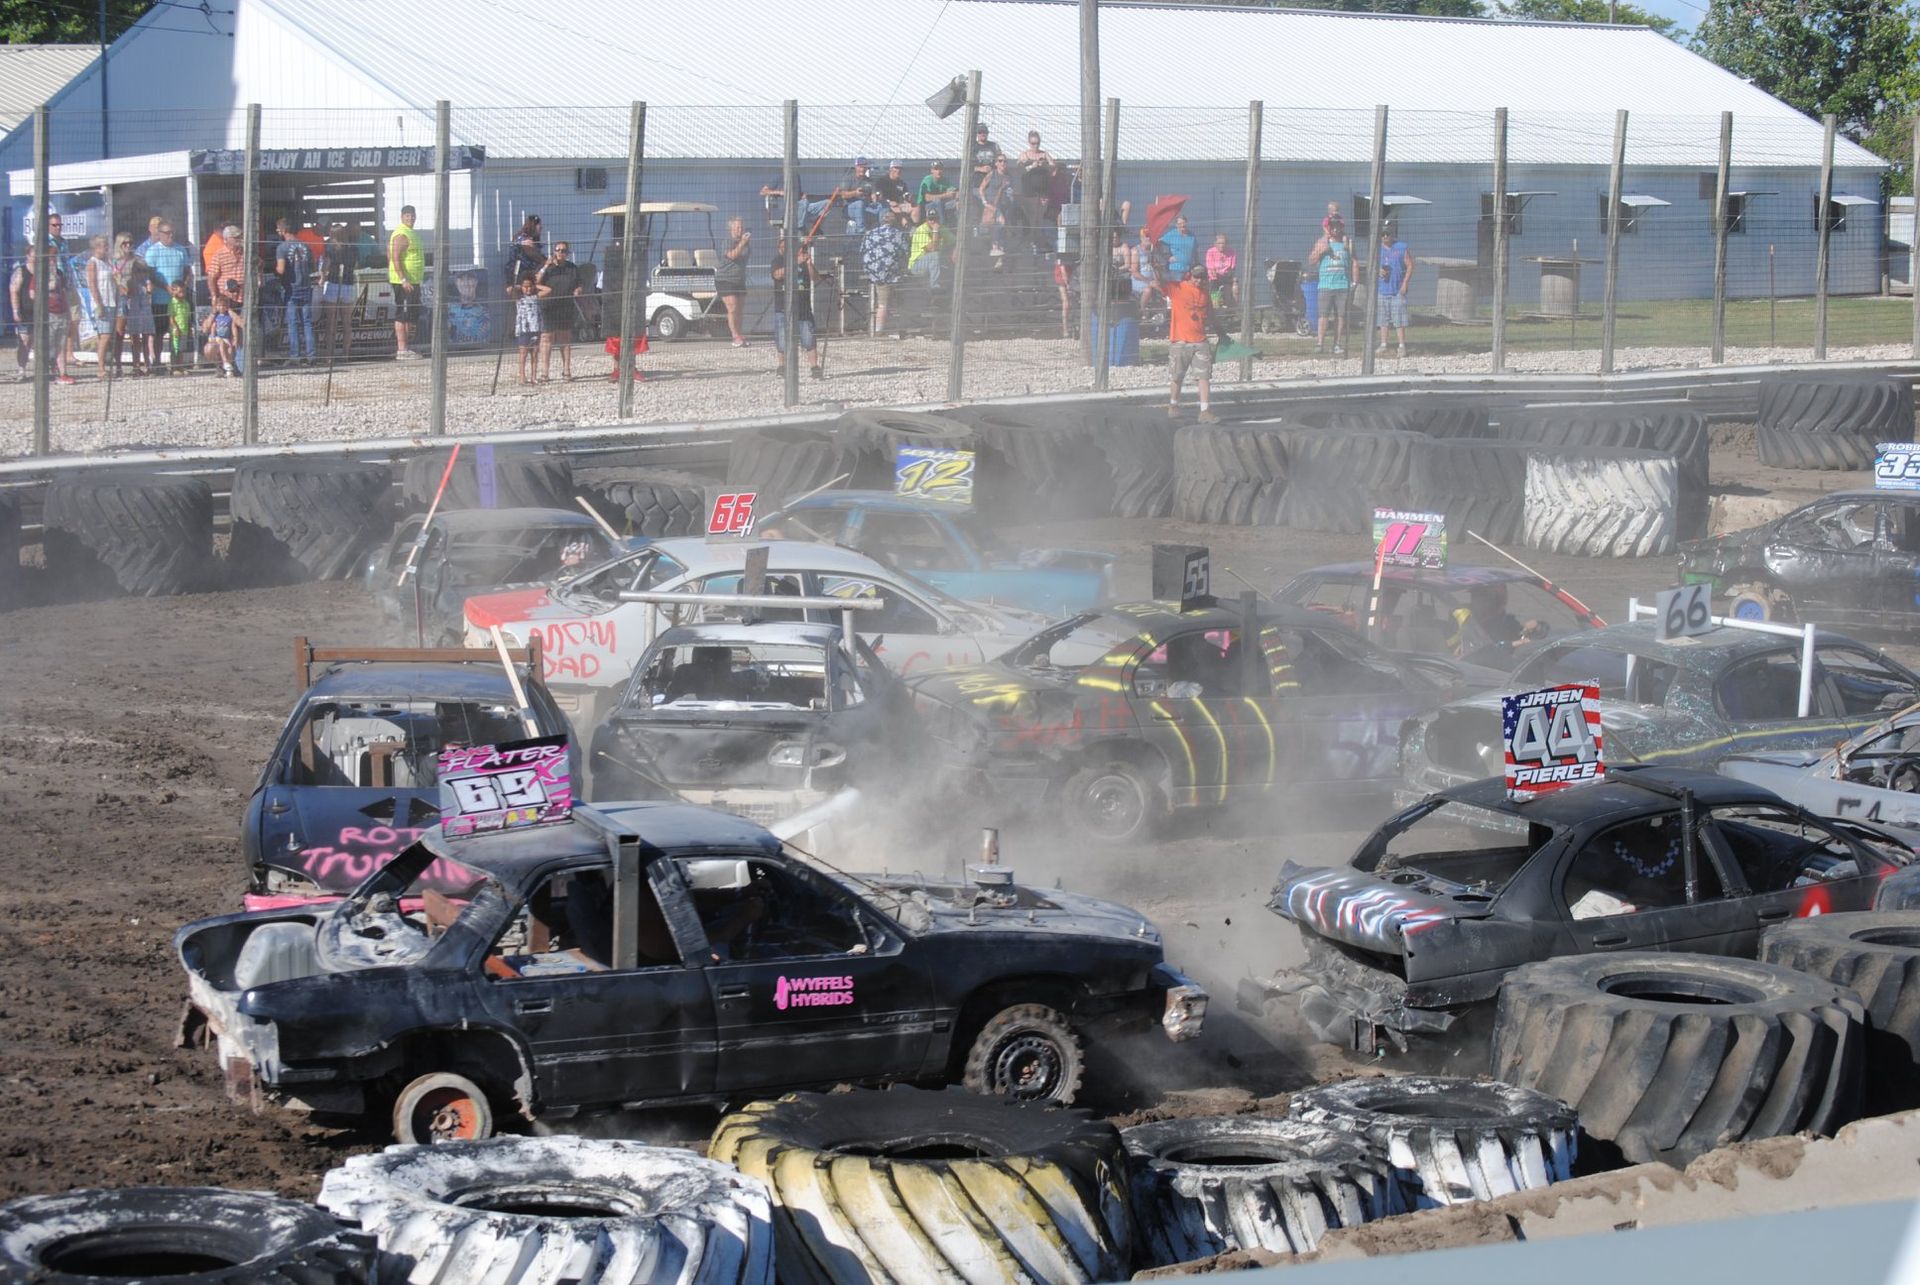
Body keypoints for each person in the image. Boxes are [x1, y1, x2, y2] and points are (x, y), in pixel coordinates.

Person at [11, 214, 75, 385]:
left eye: (54, 258)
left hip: (54, 313)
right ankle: (23, 370)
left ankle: (58, 372)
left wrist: (66, 308)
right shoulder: (26, 272)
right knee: (27, 340)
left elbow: (63, 291)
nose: (52, 260)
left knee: (55, 343)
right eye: (49, 257)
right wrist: (16, 310)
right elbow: (19, 291)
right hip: (30, 311)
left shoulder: (57, 272)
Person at [1157, 259, 1217, 422]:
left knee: (1204, 376)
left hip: (1200, 340)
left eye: (1202, 277)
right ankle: (1173, 405)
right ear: (1189, 275)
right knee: (1177, 376)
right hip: (1180, 341)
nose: (1199, 280)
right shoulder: (1177, 288)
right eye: (1196, 277)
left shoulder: (1205, 293)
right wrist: (1157, 267)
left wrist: (1220, 332)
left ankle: (1205, 410)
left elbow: (1211, 313)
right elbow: (1160, 282)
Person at [141, 221, 193, 369]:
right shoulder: (152, 251)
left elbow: (187, 271)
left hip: (178, 302)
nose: (171, 236)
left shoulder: (180, 250)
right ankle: (157, 363)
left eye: (172, 233)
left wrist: (183, 287)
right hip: (160, 300)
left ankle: (177, 364)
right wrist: (165, 287)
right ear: (160, 234)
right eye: (167, 233)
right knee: (158, 333)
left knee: (177, 332)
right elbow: (150, 274)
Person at [770, 235, 819, 380]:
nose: (784, 249)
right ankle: (782, 366)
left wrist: (809, 264)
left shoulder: (803, 260)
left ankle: (814, 367)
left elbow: (815, 278)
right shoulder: (778, 260)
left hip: (803, 307)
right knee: (782, 339)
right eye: (782, 247)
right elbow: (777, 275)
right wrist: (795, 262)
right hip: (783, 308)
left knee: (808, 338)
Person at [535, 240, 582, 381]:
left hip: (565, 306)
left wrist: (578, 290)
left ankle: (566, 370)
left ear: (567, 253)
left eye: (564, 250)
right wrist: (545, 266)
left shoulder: (572, 268)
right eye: (558, 250)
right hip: (548, 306)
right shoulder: (547, 267)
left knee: (564, 338)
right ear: (554, 251)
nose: (561, 253)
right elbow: (536, 281)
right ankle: (545, 373)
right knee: (546, 338)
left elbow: (579, 284)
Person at [860, 208, 910, 339]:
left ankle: (885, 326)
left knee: (883, 299)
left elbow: (862, 250)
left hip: (871, 271)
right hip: (887, 273)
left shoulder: (870, 233)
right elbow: (905, 252)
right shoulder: (898, 234)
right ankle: (879, 331)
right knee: (883, 302)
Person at [275, 218, 316, 366]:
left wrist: (274, 272)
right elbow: (312, 267)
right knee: (307, 322)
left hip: (291, 289)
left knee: (292, 323)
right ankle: (311, 356)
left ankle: (295, 357)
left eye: (278, 229)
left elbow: (281, 269)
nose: (277, 232)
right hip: (306, 287)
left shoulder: (282, 248)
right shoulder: (305, 245)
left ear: (284, 230)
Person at [1310, 217, 1352, 356]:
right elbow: (1311, 261)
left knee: (1341, 316)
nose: (1335, 229)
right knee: (1323, 316)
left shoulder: (1346, 243)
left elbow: (1354, 261)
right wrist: (1321, 251)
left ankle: (1337, 344)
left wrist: (1354, 281)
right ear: (1328, 228)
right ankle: (1320, 343)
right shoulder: (1322, 242)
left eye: (1337, 226)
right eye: (1332, 226)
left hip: (1342, 285)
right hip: (1326, 285)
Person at [388, 205, 425, 359]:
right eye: (407, 215)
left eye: (412, 215)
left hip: (413, 281)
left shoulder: (411, 233)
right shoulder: (401, 234)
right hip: (404, 282)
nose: (411, 218)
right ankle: (402, 349)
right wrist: (403, 279)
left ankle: (406, 348)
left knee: (410, 314)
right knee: (402, 314)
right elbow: (394, 256)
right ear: (402, 217)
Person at [317, 223, 358, 362]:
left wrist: (322, 276)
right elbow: (355, 265)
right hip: (348, 285)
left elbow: (325, 266)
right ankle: (345, 354)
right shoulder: (353, 248)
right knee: (347, 322)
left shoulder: (330, 248)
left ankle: (329, 355)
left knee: (331, 322)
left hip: (333, 283)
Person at [1376, 220, 1415, 358]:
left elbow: (1410, 265)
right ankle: (1383, 344)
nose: (1385, 236)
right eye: (1383, 234)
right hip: (1382, 289)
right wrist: (1378, 271)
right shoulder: (1377, 249)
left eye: (1388, 233)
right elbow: (1372, 266)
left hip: (1398, 289)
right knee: (1383, 319)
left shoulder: (1401, 247)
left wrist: (1405, 283)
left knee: (1399, 319)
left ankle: (1401, 346)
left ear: (1392, 233)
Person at [117, 236, 156, 375]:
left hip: (145, 309)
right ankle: (136, 365)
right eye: (138, 271)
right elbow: (125, 289)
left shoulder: (145, 282)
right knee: (135, 338)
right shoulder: (129, 279)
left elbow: (150, 287)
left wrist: (149, 284)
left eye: (143, 271)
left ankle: (148, 364)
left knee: (146, 337)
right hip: (133, 308)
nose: (141, 274)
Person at [85, 234, 120, 380]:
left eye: (107, 245)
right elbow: (92, 285)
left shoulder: (107, 262)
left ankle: (105, 365)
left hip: (111, 301)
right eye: (104, 246)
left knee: (106, 336)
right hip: (102, 303)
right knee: (105, 336)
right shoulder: (92, 263)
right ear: (97, 247)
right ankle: (100, 368)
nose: (106, 248)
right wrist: (99, 304)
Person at [1014, 131, 1055, 253]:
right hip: (1029, 193)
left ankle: (1038, 242)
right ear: (1029, 142)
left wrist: (1044, 163)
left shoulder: (1044, 154)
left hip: (1042, 193)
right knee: (1031, 218)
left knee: (1039, 219)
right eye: (1033, 143)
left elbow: (1053, 167)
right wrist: (1032, 165)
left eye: (1037, 143)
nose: (1035, 146)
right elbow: (1019, 170)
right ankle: (1030, 242)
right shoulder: (1024, 155)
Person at [715, 216, 751, 347]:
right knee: (733, 307)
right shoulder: (727, 242)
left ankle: (740, 334)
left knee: (740, 309)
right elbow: (732, 255)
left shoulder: (746, 243)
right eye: (737, 227)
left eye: (741, 227)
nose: (740, 230)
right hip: (725, 279)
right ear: (731, 229)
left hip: (739, 280)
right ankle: (734, 336)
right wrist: (742, 243)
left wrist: (744, 243)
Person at [509, 270, 548, 386]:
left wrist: (535, 285)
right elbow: (509, 290)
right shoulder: (519, 298)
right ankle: (522, 376)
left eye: (530, 286)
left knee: (534, 353)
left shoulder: (536, 296)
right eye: (525, 287)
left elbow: (548, 290)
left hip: (535, 328)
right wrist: (519, 286)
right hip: (523, 329)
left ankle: (533, 376)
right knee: (523, 353)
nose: (528, 289)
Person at [978, 154, 1013, 262]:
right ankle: (994, 247)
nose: (1003, 163)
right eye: (1000, 161)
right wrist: (984, 202)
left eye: (1005, 161)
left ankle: (1000, 255)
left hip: (1005, 205)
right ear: (996, 163)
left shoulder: (1008, 176)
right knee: (1000, 223)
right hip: (993, 204)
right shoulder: (992, 174)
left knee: (1002, 227)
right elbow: (981, 188)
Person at [908, 206, 945, 290]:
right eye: (930, 219)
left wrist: (955, 249)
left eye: (935, 218)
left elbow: (954, 241)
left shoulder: (942, 227)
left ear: (938, 219)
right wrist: (935, 231)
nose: (933, 221)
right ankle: (934, 286)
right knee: (934, 255)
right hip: (917, 265)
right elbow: (933, 249)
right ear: (926, 220)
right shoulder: (921, 230)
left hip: (931, 263)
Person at [201, 297, 238, 376]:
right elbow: (213, 327)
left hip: (225, 338)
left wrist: (235, 338)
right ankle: (225, 362)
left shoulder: (229, 317)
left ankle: (229, 368)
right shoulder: (216, 317)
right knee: (221, 342)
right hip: (216, 337)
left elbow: (233, 328)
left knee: (230, 349)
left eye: (224, 305)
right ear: (216, 307)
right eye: (219, 306)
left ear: (227, 306)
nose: (221, 307)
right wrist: (212, 335)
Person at [165, 279, 194, 376]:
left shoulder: (186, 303)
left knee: (181, 350)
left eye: (184, 291)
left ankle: (181, 367)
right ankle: (174, 368)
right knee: (175, 350)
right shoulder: (172, 303)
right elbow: (171, 318)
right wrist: (175, 328)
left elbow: (188, 318)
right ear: (173, 291)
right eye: (180, 291)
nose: (183, 293)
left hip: (184, 330)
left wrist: (189, 329)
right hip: (175, 332)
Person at [506, 214, 544, 284]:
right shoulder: (524, 239)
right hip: (521, 271)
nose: (541, 227)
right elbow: (535, 255)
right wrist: (545, 261)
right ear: (533, 226)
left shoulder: (533, 239)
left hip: (530, 270)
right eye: (539, 225)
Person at [1205, 232, 1238, 309]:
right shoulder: (1210, 252)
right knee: (1215, 297)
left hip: (1226, 278)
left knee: (1230, 291)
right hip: (1214, 278)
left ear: (1226, 244)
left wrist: (1228, 275)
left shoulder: (1232, 252)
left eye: (1223, 243)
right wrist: (1217, 275)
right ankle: (1215, 308)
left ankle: (1230, 310)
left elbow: (1232, 268)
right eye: (1219, 243)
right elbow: (1211, 268)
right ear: (1215, 244)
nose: (1221, 245)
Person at [1160, 214, 1197, 278]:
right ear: (1176, 225)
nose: (1182, 225)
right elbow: (1158, 244)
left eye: (1184, 223)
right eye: (1180, 223)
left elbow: (1195, 251)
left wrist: (1196, 263)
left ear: (1187, 223)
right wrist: (1167, 257)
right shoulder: (1171, 235)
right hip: (1175, 270)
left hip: (1189, 270)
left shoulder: (1192, 235)